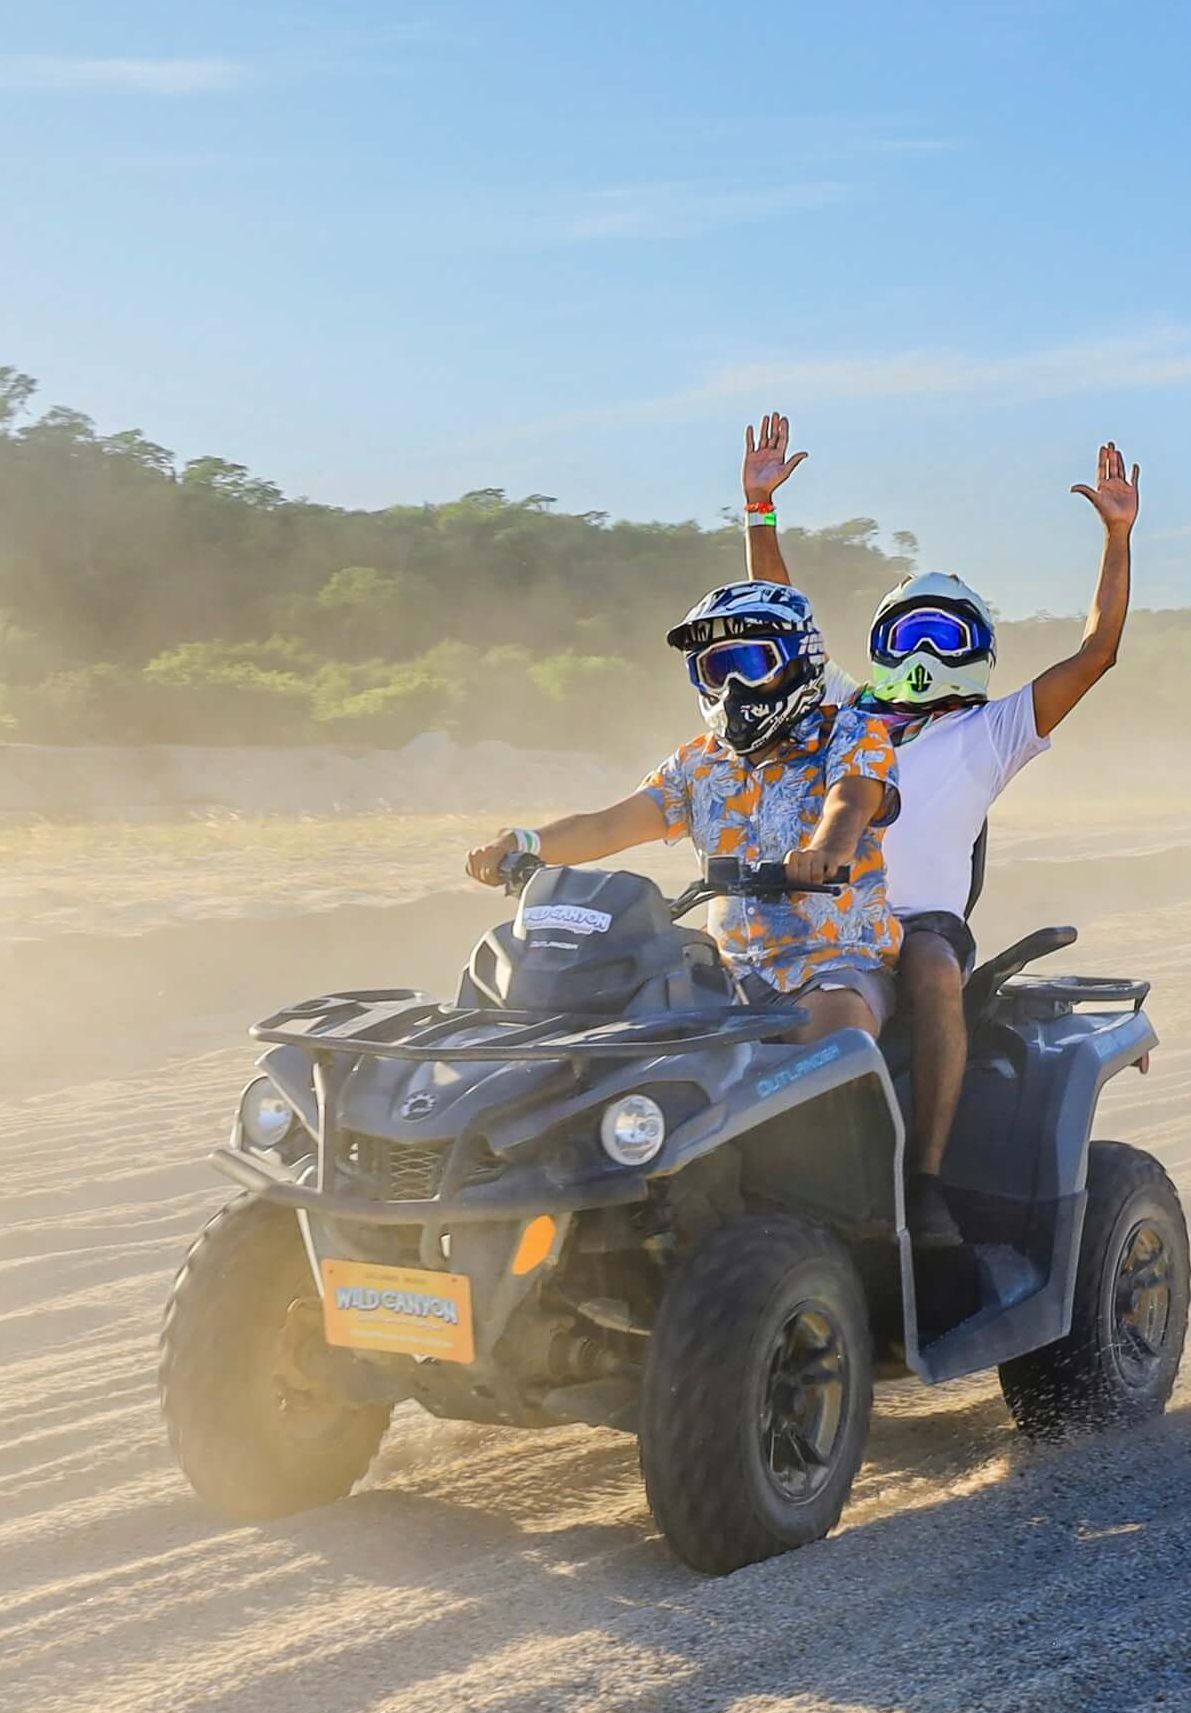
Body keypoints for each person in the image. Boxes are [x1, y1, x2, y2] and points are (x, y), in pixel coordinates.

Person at [738, 411, 1136, 1244]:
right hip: (824, 921)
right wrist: (760, 512)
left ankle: (922, 1186)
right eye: (907, 631)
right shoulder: (849, 712)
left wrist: (1117, 537)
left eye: (941, 633)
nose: (922, 650)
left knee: (930, 968)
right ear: (881, 644)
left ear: (976, 649)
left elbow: (1097, 654)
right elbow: (781, 627)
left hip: (922, 926)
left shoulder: (992, 733)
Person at [465, 577, 899, 1042]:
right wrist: (524, 844)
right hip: (726, 972)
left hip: (833, 963)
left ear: (800, 661)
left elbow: (849, 803)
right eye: (716, 669)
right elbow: (608, 825)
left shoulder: (852, 732)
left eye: (751, 663)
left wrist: (825, 851)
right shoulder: (698, 762)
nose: (733, 686)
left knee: (833, 1037)